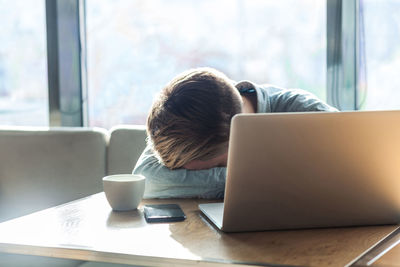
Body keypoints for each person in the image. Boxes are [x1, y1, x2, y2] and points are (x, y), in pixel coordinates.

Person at [133, 67, 337, 199]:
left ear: (233, 139)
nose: (185, 172)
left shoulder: (304, 112)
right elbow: (146, 179)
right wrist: (269, 181)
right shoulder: (184, 121)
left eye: (209, 168)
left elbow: (355, 175)